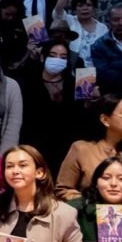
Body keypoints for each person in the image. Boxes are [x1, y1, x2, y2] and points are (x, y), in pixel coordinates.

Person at [56, 95, 122, 212]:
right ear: (105, 120)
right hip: (90, 218)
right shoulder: (82, 149)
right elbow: (63, 189)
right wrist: (89, 206)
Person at [18, 39, 85, 174]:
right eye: (53, 55)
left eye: (63, 57)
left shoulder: (75, 84)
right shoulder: (27, 83)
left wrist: (89, 102)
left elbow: (80, 118)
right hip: (35, 147)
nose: (58, 60)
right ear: (43, 57)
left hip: (65, 148)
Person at [52, 0, 108, 68]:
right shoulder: (69, 20)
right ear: (75, 9)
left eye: (89, 5)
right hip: (74, 68)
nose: (85, 8)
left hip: (98, 69)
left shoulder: (103, 28)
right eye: (80, 5)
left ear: (94, 8)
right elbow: (58, 10)